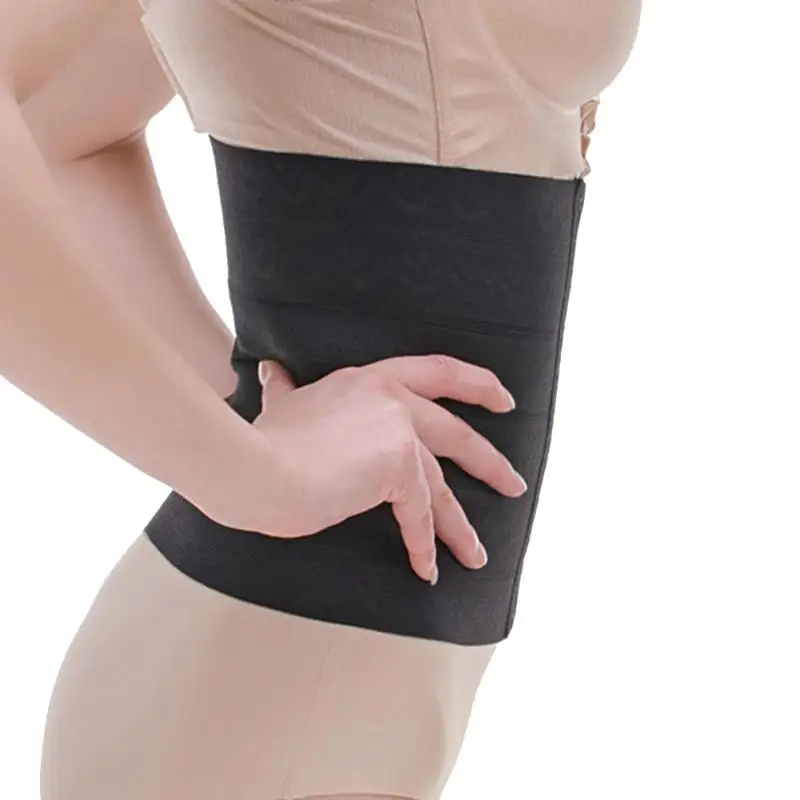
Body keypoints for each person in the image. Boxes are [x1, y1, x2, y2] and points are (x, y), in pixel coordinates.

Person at [0, 1, 642, 798]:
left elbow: (60, 123)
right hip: (253, 698)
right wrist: (254, 475)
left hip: (350, 686)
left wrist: (248, 407)